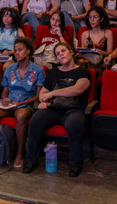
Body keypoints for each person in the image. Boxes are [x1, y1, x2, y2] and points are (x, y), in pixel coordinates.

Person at [23, 43, 91, 177]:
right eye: (58, 54)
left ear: (71, 52)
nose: (61, 55)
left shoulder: (83, 71)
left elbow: (77, 90)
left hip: (74, 109)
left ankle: (75, 164)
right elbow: (43, 93)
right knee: (36, 119)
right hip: (54, 109)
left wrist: (53, 94)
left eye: (63, 51)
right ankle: (31, 160)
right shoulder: (54, 72)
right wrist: (43, 101)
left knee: (74, 124)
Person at [0, 37, 44, 167]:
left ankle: (20, 154)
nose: (16, 53)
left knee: (20, 116)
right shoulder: (10, 69)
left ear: (28, 51)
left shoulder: (38, 70)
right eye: (15, 50)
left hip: (26, 103)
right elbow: (5, 89)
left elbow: (38, 95)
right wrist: (5, 99)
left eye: (20, 50)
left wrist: (20, 103)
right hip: (10, 103)